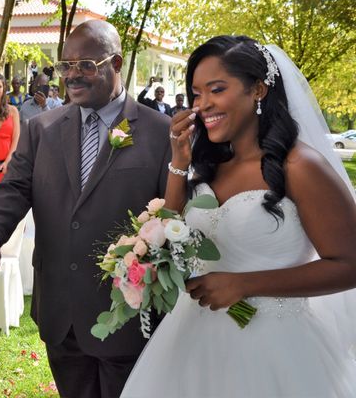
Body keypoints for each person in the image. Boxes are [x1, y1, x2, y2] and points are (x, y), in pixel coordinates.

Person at [121, 36, 356, 397]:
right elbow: (169, 233)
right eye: (196, 94)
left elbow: (349, 263)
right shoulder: (210, 166)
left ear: (258, 90)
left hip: (275, 350)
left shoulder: (300, 166)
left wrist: (244, 284)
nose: (202, 105)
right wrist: (179, 164)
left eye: (216, 89)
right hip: (190, 345)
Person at [0, 20, 171, 397]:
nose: (73, 76)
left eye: (87, 65)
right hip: (61, 313)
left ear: (117, 64)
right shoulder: (41, 129)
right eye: (66, 66)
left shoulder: (160, 133)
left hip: (128, 313)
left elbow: (173, 217)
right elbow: (12, 189)